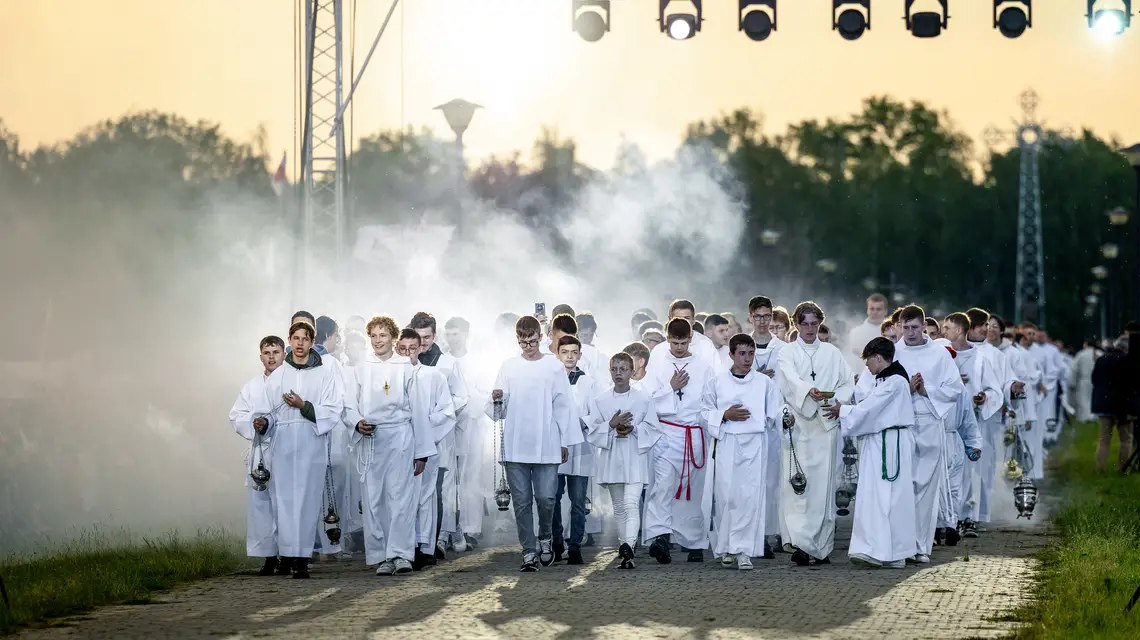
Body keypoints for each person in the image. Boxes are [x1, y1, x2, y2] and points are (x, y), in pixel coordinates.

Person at [343, 316, 435, 576]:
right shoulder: (361, 368)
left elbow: (418, 410)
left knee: (400, 498)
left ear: (393, 338)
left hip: (400, 436)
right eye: (373, 335)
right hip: (372, 438)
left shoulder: (405, 367)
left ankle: (401, 554)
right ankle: (381, 555)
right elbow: (348, 404)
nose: (377, 340)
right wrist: (357, 422)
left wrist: (422, 452)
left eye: (383, 335)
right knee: (374, 499)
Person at [487, 315, 579, 572]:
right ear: (517, 340)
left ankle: (545, 536)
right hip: (516, 444)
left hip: (547, 442)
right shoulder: (508, 367)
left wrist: (565, 441)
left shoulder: (553, 367)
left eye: (532, 341)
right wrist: (497, 398)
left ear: (540, 337)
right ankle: (528, 551)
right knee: (522, 501)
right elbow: (498, 410)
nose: (528, 347)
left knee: (547, 498)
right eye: (523, 342)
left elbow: (564, 406)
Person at [261, 321, 344, 578]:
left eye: (305, 339)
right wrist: (263, 423)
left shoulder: (324, 374)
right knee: (285, 500)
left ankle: (302, 558)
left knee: (307, 501)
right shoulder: (278, 375)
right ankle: (287, 554)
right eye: (295, 338)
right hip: (284, 442)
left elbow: (333, 409)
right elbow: (268, 411)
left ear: (311, 342)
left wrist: (303, 405)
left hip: (311, 441)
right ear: (289, 340)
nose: (299, 343)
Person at [823, 337, 916, 569]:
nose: (866, 366)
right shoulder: (887, 380)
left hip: (889, 443)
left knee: (884, 497)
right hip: (883, 440)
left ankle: (881, 551)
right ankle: (888, 552)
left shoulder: (895, 382)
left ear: (878, 357)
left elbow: (871, 407)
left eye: (868, 361)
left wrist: (843, 411)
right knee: (881, 496)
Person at [775, 301, 854, 566]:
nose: (810, 329)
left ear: (820, 324)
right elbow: (789, 379)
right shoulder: (787, 352)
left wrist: (835, 402)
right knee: (797, 487)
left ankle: (820, 546)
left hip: (825, 424)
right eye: (805, 324)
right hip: (798, 425)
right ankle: (801, 543)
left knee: (822, 489)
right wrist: (808, 391)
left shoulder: (832, 352)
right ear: (796, 325)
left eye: (814, 324)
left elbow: (847, 382)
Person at [702, 333, 788, 569]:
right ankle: (725, 547)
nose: (747, 358)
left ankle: (744, 552)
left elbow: (776, 410)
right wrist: (724, 415)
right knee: (726, 496)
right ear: (731, 354)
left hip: (754, 443)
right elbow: (703, 413)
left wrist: (785, 418)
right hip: (727, 442)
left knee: (749, 497)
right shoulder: (717, 382)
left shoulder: (764, 383)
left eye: (751, 353)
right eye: (742, 353)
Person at [892, 306, 963, 564]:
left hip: (930, 422)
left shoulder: (939, 354)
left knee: (926, 488)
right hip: (901, 424)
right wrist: (907, 389)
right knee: (902, 487)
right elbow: (877, 387)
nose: (910, 333)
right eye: (905, 327)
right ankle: (900, 546)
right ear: (899, 326)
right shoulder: (893, 352)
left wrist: (926, 390)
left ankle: (921, 545)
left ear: (924, 326)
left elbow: (955, 389)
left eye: (915, 327)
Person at [643, 317, 716, 564]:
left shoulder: (703, 366)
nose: (679, 348)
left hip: (693, 434)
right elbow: (647, 399)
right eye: (675, 343)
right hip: (666, 433)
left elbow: (709, 401)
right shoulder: (658, 362)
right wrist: (670, 387)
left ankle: (693, 542)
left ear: (690, 340)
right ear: (667, 339)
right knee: (663, 485)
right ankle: (661, 537)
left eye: (683, 343)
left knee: (691, 491)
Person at [587, 352, 661, 569]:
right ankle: (625, 551)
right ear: (609, 371)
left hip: (634, 456)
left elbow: (653, 428)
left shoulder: (643, 399)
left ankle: (629, 545)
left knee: (631, 503)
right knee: (619, 507)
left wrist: (633, 428)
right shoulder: (601, 400)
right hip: (612, 457)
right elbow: (592, 431)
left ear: (632, 371)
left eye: (623, 369)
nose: (618, 373)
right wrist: (611, 425)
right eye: (614, 369)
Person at [408, 311, 469, 560]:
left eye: (427, 337)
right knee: (411, 492)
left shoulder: (447, 364)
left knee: (436, 491)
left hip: (438, 436)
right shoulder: (404, 362)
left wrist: (437, 416)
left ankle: (431, 544)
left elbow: (461, 397)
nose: (423, 342)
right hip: (410, 437)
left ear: (435, 336)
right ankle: (412, 542)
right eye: (419, 337)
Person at [397, 328, 457, 570]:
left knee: (426, 496)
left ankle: (425, 546)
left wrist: (423, 427)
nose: (408, 354)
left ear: (420, 348)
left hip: (427, 445)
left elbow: (447, 412)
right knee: (402, 497)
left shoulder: (434, 376)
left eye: (412, 348)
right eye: (403, 349)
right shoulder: (390, 377)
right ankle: (405, 545)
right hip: (398, 447)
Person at [228, 335, 285, 576]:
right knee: (261, 506)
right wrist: (254, 424)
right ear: (260, 356)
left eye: (276, 352)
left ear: (284, 354)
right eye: (267, 353)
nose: (271, 357)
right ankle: (269, 556)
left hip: (286, 450)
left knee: (285, 504)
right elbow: (236, 415)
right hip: (261, 450)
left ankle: (288, 554)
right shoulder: (251, 386)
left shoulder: (292, 383)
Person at [445, 316, 489, 549]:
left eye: (457, 334)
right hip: (447, 424)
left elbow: (485, 392)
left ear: (466, 335)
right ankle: (449, 528)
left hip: (471, 422)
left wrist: (469, 404)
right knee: (449, 478)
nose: (453, 339)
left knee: (471, 477)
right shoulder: (443, 361)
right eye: (449, 334)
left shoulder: (477, 362)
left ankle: (471, 527)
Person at [748, 294, 787, 555]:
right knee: (752, 481)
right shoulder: (741, 345)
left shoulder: (782, 349)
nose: (763, 321)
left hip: (773, 423)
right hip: (748, 424)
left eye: (767, 316)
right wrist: (756, 378)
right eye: (758, 316)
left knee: (773, 481)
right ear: (750, 316)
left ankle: (771, 532)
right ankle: (753, 533)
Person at [552, 335, 595, 565]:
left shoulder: (588, 382)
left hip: (580, 445)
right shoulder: (551, 380)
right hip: (556, 445)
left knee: (578, 500)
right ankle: (556, 542)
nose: (569, 356)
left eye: (574, 352)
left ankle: (575, 545)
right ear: (557, 354)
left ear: (579, 355)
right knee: (553, 497)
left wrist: (582, 422)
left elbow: (596, 412)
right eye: (565, 352)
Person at [1091, 336, 1134, 472]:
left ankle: (1100, 468)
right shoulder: (1127, 360)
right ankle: (1123, 468)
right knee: (1126, 439)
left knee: (1104, 439)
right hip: (1122, 406)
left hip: (1103, 403)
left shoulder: (1102, 359)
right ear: (1126, 348)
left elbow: (1094, 379)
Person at [846, 293, 889, 367]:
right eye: (872, 309)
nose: (875, 312)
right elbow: (851, 358)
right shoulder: (856, 333)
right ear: (867, 310)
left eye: (878, 309)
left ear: (885, 311)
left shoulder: (894, 333)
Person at [1067, 338, 1099, 424]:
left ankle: (1086, 417)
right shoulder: (1100, 353)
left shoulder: (1081, 354)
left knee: (1084, 399)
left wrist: (1072, 382)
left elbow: (1074, 369)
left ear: (1086, 344)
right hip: (1097, 380)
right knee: (1094, 398)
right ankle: (1094, 416)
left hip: (1084, 380)